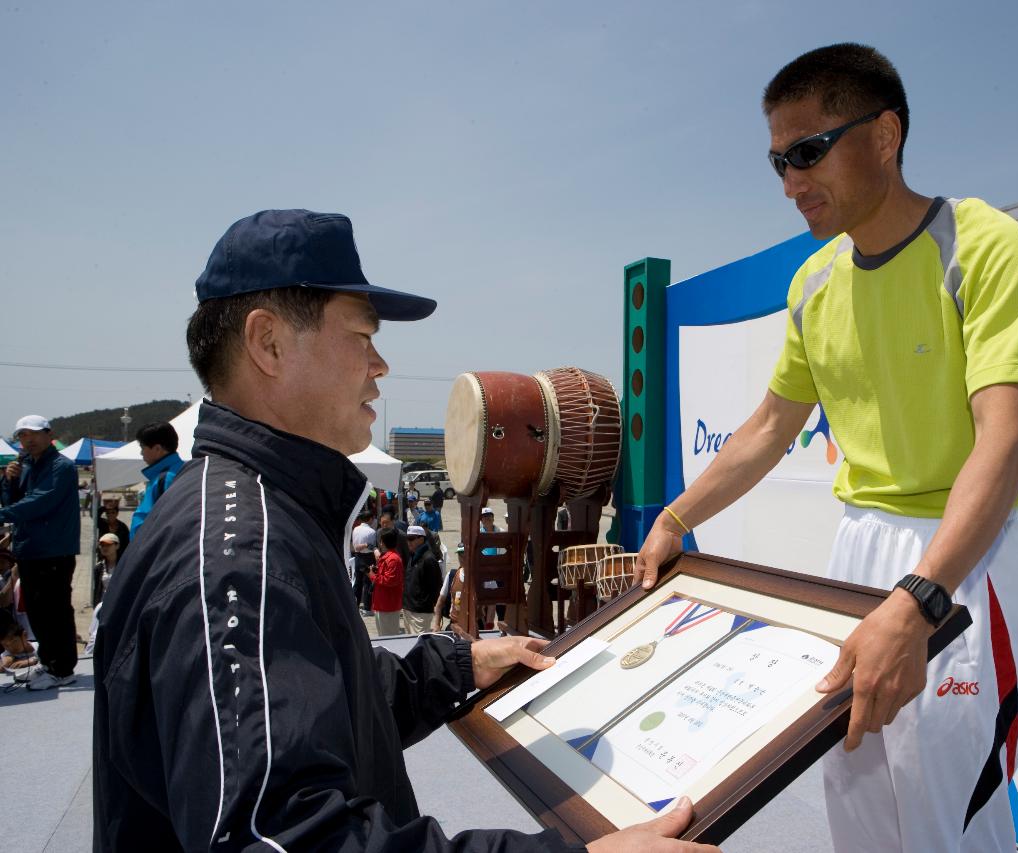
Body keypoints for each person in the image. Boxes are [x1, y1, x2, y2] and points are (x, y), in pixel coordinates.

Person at [93, 208, 711, 852]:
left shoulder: (257, 513)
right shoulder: (240, 556)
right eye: (362, 336)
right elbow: (283, 839)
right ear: (268, 343)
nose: (381, 364)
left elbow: (318, 702)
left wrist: (455, 666)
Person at [636, 44, 1018, 853]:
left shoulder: (986, 244)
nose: (792, 183)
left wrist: (921, 597)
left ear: (886, 134)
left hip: (964, 558)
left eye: (808, 152)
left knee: (951, 811)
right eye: (778, 162)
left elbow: (1003, 444)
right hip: (858, 552)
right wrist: (674, 516)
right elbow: (769, 426)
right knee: (854, 790)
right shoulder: (814, 282)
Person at [1, 414, 81, 691]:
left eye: (33, 434)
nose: (28, 440)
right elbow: (14, 501)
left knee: (54, 611)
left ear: (50, 435)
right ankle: (49, 663)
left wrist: (3, 513)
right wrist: (9, 481)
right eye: (22, 435)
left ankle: (62, 669)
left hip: (53, 551)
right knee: (36, 612)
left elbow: (40, 502)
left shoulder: (62, 467)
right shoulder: (25, 466)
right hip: (30, 550)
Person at [131, 421, 183, 534]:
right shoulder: (184, 470)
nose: (141, 453)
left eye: (143, 447)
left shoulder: (166, 479)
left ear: (157, 449)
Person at [403, 524, 442, 634]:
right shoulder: (413, 555)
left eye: (411, 539)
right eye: (407, 539)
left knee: (420, 645)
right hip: (408, 608)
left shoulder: (429, 559)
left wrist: (429, 605)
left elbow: (436, 586)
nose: (408, 542)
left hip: (420, 612)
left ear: (421, 539)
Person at [371, 526, 407, 636]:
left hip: (388, 605)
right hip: (382, 603)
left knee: (388, 636)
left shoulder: (393, 559)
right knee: (383, 635)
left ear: (383, 542)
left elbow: (389, 580)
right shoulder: (387, 557)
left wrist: (372, 575)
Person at [351, 509, 377, 613]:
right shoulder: (372, 531)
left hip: (358, 557)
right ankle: (367, 607)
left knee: (357, 582)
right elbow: (372, 546)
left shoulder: (355, 529)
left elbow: (354, 545)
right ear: (370, 519)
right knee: (367, 583)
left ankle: (355, 605)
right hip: (368, 557)